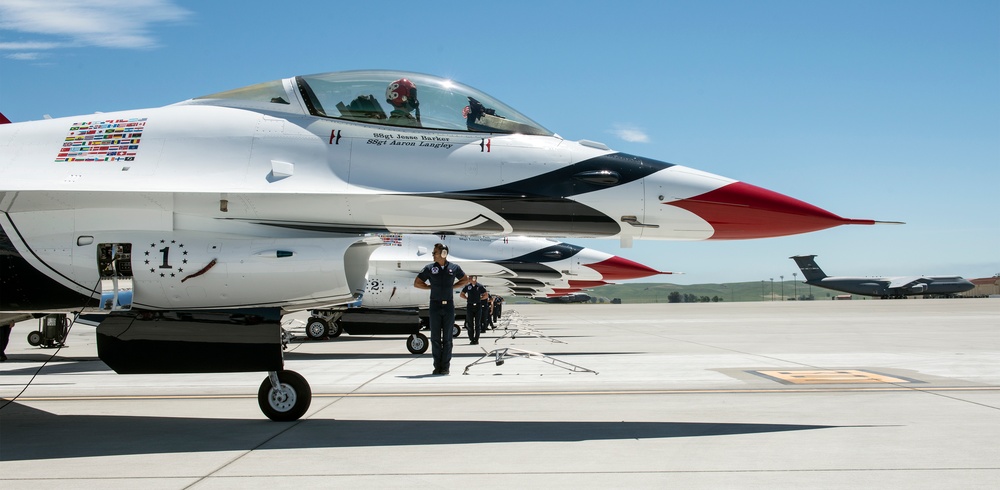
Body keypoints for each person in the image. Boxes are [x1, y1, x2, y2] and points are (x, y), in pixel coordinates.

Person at [414, 243, 468, 375]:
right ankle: (437, 366)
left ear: (443, 253)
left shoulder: (454, 268)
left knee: (448, 339)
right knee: (435, 338)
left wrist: (452, 287)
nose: (433, 255)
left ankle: (445, 367)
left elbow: (464, 279)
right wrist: (429, 287)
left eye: (435, 253)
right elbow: (417, 283)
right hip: (435, 305)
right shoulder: (430, 268)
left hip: (448, 306)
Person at [460, 275, 487, 345]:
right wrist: (467, 298)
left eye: (470, 278)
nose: (469, 279)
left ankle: (476, 339)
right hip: (470, 305)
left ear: (474, 279)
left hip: (478, 305)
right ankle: (471, 339)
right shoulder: (467, 287)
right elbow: (462, 294)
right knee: (470, 323)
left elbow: (486, 295)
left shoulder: (480, 286)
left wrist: (479, 299)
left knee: (477, 324)